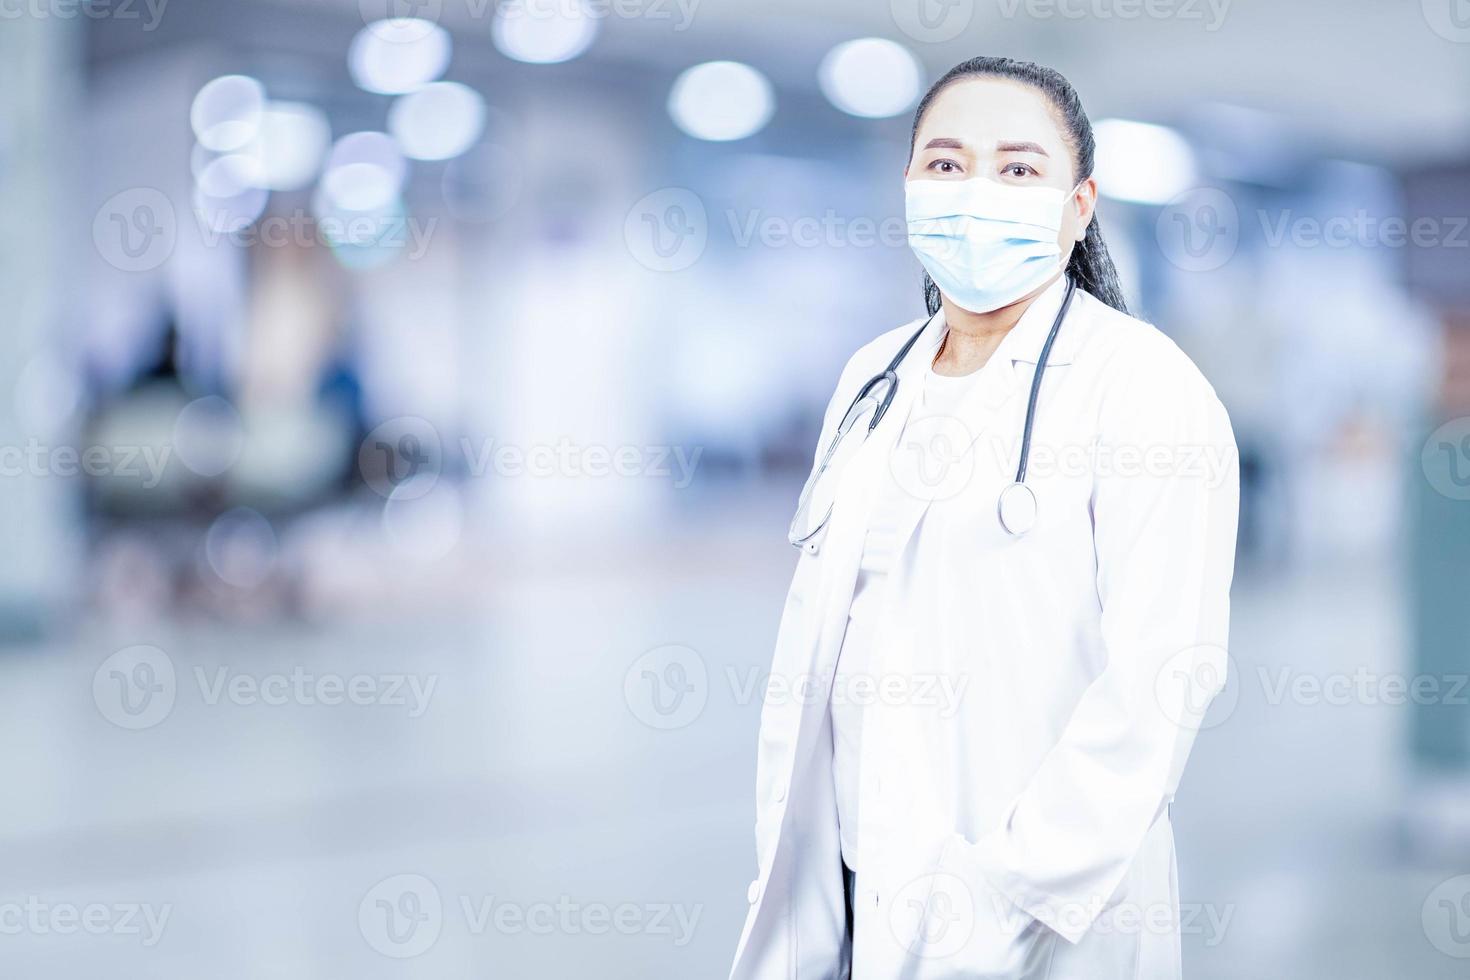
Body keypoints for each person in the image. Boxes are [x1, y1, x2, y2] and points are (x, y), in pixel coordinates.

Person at [730, 56, 1239, 980]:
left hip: (1036, 916)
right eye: (946, 163)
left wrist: (1003, 901)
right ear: (910, 187)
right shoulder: (874, 377)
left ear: (1079, 205)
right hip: (855, 886)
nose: (976, 191)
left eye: (1018, 169)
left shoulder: (1143, 386)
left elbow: (1163, 681)